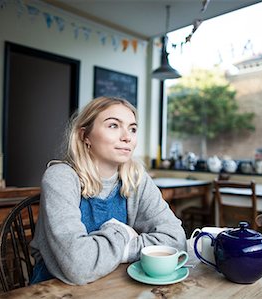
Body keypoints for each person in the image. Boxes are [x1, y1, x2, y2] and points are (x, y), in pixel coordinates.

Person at [30, 96, 187, 285]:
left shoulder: (136, 178)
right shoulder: (61, 177)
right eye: (113, 125)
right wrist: (123, 233)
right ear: (84, 135)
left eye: (133, 129)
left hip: (115, 282)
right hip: (54, 288)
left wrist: (116, 249)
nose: (127, 137)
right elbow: (77, 266)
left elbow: (176, 240)